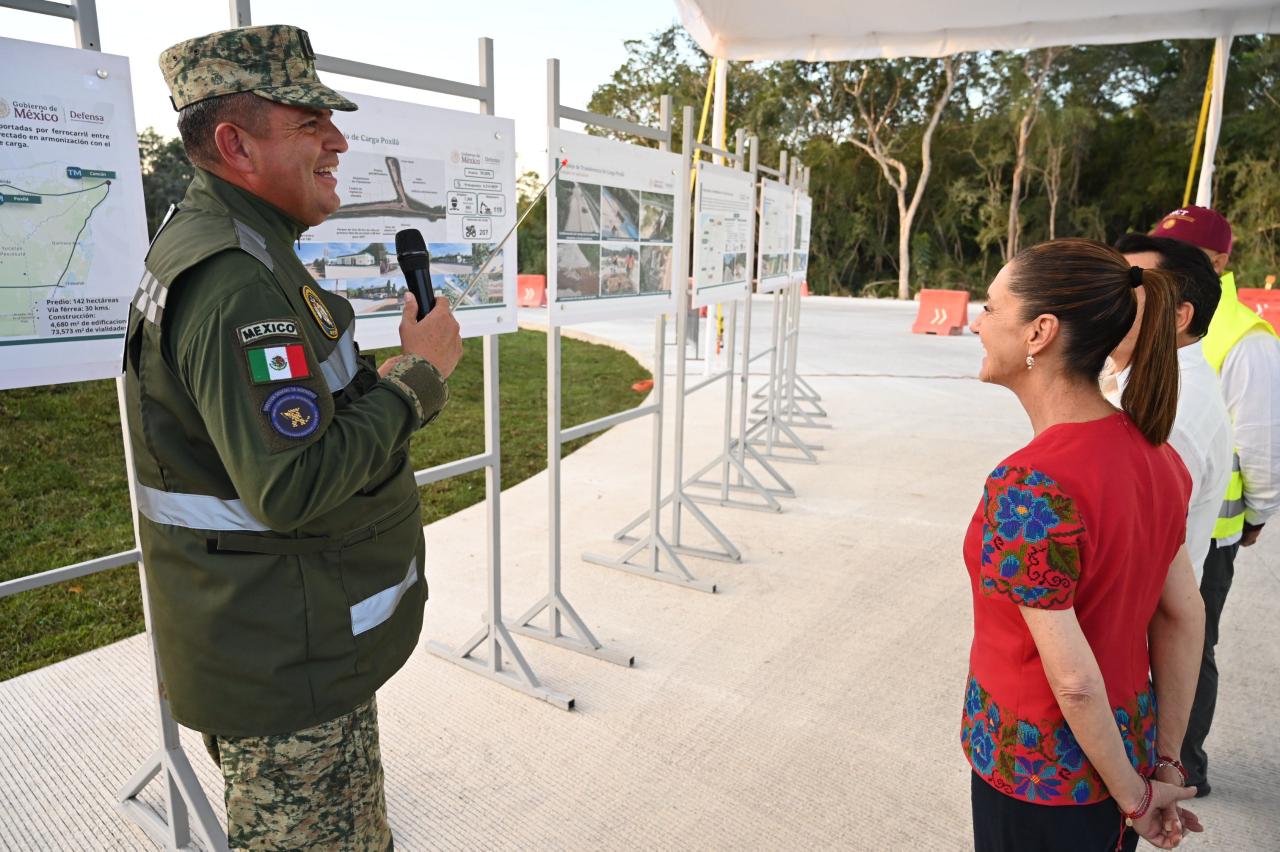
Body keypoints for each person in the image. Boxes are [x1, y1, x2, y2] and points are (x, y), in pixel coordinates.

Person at [122, 25, 463, 849]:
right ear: (235, 144)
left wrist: (364, 392)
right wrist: (420, 379)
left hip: (282, 638)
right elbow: (293, 485)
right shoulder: (238, 283)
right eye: (310, 124)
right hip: (284, 663)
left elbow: (271, 436)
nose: (338, 141)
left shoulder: (241, 248)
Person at [965, 239, 1205, 851]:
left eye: (992, 308)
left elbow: (1071, 680)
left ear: (1039, 332)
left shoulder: (1029, 484)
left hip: (1039, 771)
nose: (977, 322)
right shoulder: (1159, 456)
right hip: (1127, 746)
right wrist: (1163, 766)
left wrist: (1138, 799)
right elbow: (1182, 614)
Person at [1151, 206, 1280, 795]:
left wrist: (1256, 515)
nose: (1172, 262)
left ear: (1222, 261)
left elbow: (1262, 444)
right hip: (1154, 527)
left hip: (1208, 535)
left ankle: (1185, 764)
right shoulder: (1150, 314)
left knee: (1189, 647)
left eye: (1189, 252)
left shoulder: (1245, 338)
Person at [1106, 233, 1233, 575]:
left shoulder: (1166, 411)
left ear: (1179, 316)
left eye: (1127, 286)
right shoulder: (1144, 381)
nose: (1103, 299)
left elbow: (1128, 554)